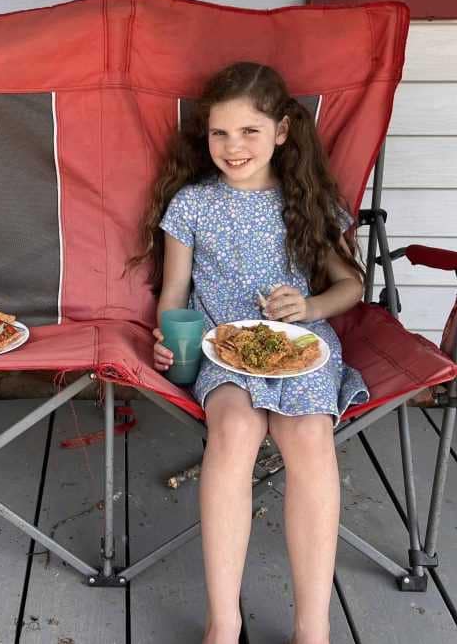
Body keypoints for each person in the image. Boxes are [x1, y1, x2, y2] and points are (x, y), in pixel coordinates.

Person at [133, 62, 370, 644]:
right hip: (223, 347)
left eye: (249, 132)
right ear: (205, 135)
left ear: (283, 132)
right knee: (235, 430)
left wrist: (310, 308)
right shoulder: (191, 205)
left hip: (303, 349)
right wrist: (170, 338)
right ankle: (224, 620)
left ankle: (312, 627)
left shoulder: (305, 200)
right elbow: (173, 294)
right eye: (220, 133)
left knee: (310, 438)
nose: (233, 147)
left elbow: (351, 287)